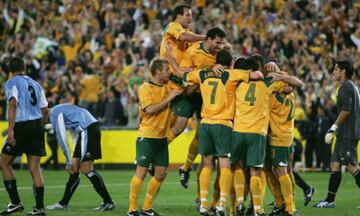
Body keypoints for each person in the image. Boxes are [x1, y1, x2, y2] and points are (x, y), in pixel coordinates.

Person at [183, 50, 263, 215]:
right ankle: (222, 203)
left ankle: (204, 203)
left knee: (207, 163)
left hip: (205, 123)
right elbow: (257, 75)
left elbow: (181, 75)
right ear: (229, 62)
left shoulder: (203, 73)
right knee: (225, 164)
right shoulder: (231, 75)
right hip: (224, 124)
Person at [231, 56, 301, 216]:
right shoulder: (268, 86)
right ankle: (277, 206)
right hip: (268, 134)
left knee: (245, 169)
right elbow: (296, 84)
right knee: (267, 170)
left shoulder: (237, 83)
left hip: (248, 132)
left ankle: (242, 205)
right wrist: (279, 74)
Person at [127, 58, 182, 216]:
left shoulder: (166, 88)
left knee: (160, 174)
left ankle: (146, 208)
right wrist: (169, 98)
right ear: (158, 72)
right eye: (166, 70)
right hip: (147, 136)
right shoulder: (145, 88)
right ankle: (132, 210)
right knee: (141, 173)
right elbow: (150, 110)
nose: (169, 72)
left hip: (161, 138)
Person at [0, 56, 48, 215]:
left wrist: (11, 129)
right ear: (24, 68)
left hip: (21, 126)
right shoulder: (36, 84)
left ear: (10, 70)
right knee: (35, 167)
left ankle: (15, 202)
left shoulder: (11, 82)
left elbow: (13, 103)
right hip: (37, 126)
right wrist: (39, 127)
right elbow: (45, 110)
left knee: (4, 162)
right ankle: (39, 208)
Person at [46, 104, 115, 211]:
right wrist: (74, 157)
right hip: (86, 129)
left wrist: (68, 161)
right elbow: (74, 133)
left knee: (86, 168)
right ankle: (63, 203)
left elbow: (62, 137)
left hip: (88, 129)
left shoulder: (54, 114)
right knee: (74, 168)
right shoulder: (61, 110)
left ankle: (108, 201)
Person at [314, 60, 360, 208]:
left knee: (352, 166)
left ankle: (329, 200)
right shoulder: (352, 86)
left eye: (336, 69)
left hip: (347, 132)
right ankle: (329, 200)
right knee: (335, 164)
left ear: (343, 72)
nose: (333, 72)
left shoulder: (346, 87)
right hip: (345, 132)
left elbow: (346, 110)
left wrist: (333, 127)